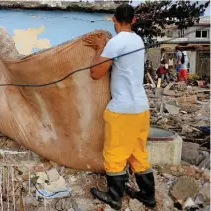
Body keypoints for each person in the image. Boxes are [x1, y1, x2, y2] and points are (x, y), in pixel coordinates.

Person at [83, 4, 156, 210]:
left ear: (114, 19)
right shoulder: (138, 39)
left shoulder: (115, 43)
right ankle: (148, 197)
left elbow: (95, 73)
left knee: (114, 154)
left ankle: (115, 196)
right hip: (141, 108)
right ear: (133, 20)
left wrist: (99, 47)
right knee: (138, 154)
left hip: (122, 110)